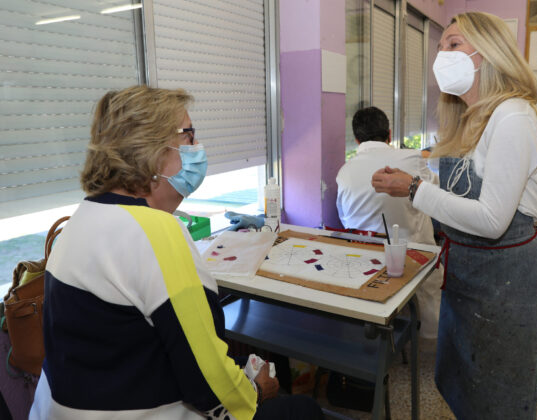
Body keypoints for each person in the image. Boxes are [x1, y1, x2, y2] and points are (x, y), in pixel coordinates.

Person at [29, 86, 323, 420]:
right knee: (302, 410)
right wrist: (255, 391)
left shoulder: (82, 218)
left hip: (67, 407)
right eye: (189, 136)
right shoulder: (156, 232)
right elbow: (208, 387)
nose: (198, 147)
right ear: (153, 151)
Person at [372, 12, 537, 420]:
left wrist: (414, 190)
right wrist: (419, 178)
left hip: (504, 277)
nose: (442, 56)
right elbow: (467, 184)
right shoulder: (471, 118)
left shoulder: (513, 116)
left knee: (498, 392)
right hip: (468, 270)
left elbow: (492, 219)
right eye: (440, 47)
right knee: (465, 381)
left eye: (454, 44)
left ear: (489, 52)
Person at [336, 106, 442, 338]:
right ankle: (430, 335)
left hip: (362, 262)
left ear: (356, 139)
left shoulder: (345, 171)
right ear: (389, 134)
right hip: (413, 259)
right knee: (431, 275)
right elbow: (435, 193)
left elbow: (344, 218)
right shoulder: (411, 158)